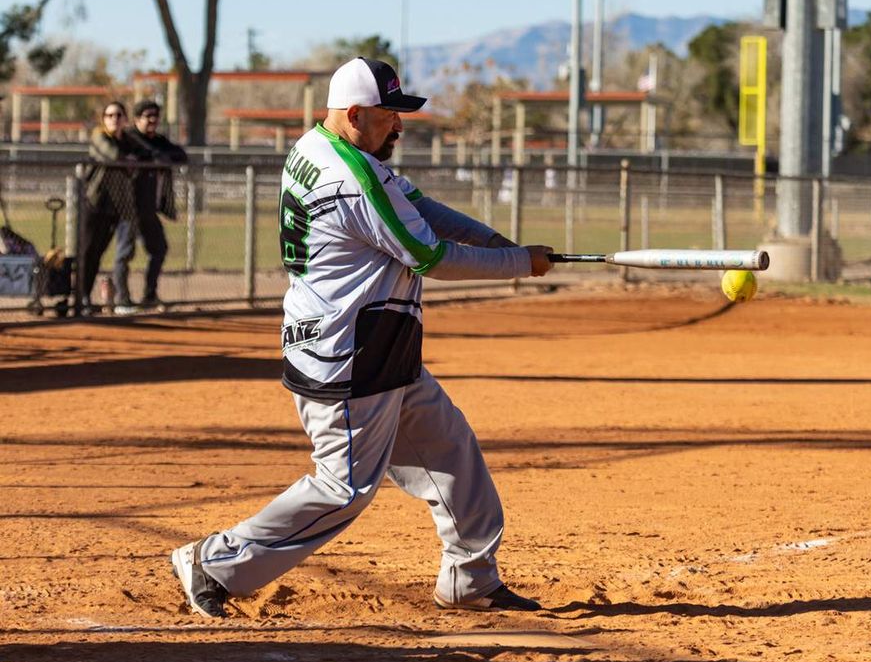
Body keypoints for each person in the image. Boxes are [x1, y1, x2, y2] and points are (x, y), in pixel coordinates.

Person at [171, 57, 554, 618]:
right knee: (342, 489)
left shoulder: (328, 148)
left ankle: (469, 579)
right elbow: (429, 255)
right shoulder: (348, 179)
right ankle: (213, 561)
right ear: (354, 114)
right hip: (350, 355)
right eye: (389, 116)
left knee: (452, 453)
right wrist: (519, 262)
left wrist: (496, 240)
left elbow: (418, 206)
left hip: (379, 343)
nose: (399, 126)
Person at [113, 99, 188, 313]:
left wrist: (160, 156)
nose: (153, 120)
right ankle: (122, 299)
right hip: (127, 206)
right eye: (147, 116)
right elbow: (129, 156)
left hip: (147, 209)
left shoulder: (159, 141)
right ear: (137, 119)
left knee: (159, 249)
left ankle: (149, 295)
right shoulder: (129, 139)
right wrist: (151, 157)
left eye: (155, 116)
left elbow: (180, 155)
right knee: (124, 253)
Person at [78, 101, 144, 315]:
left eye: (118, 115)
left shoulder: (129, 141)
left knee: (103, 252)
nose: (114, 119)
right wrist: (128, 160)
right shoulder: (99, 136)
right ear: (104, 119)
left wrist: (134, 159)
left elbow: (144, 156)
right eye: (109, 115)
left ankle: (100, 299)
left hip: (116, 206)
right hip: (94, 203)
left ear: (125, 119)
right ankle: (81, 298)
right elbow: (112, 155)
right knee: (88, 252)